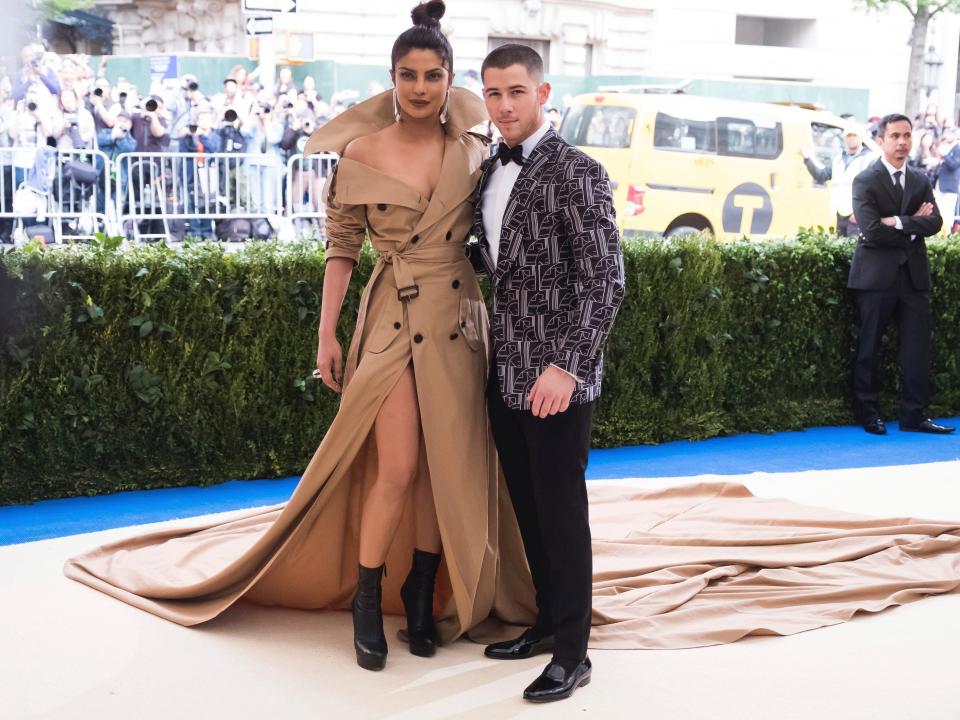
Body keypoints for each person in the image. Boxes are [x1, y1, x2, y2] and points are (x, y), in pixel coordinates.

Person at [64, 0, 536, 673]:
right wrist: (326, 335)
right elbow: (341, 248)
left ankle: (422, 591)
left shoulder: (473, 148)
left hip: (459, 322)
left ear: (447, 78)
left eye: (435, 75)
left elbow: (495, 194)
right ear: (391, 79)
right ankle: (368, 597)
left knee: (442, 471)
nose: (423, 88)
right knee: (397, 466)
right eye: (410, 75)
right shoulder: (360, 151)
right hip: (392, 319)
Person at [473, 44, 624, 702]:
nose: (504, 104)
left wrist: (566, 365)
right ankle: (544, 622)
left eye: (515, 92)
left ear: (542, 93)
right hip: (504, 372)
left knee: (563, 515)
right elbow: (496, 260)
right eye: (493, 93)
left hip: (557, 379)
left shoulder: (579, 171)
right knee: (530, 511)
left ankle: (573, 652)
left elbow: (606, 281)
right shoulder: (488, 169)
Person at [849, 113, 954, 436]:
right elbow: (869, 230)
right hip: (875, 278)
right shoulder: (866, 180)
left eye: (907, 135)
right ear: (880, 141)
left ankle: (915, 415)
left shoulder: (921, 180)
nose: (902, 142)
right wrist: (912, 225)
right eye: (895, 136)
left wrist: (895, 221)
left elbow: (935, 223)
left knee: (917, 348)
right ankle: (868, 413)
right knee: (869, 347)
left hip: (913, 278)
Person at [801, 128, 876, 237]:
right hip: (840, 213)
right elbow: (821, 176)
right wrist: (807, 158)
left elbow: (873, 189)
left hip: (857, 214)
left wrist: (861, 211)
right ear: (845, 139)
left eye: (854, 135)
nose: (851, 139)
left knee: (853, 248)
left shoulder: (870, 159)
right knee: (840, 248)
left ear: (861, 138)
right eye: (848, 136)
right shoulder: (838, 160)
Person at [934, 128, 960, 230]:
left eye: (948, 134)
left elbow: (954, 165)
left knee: (948, 211)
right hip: (940, 183)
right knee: (939, 209)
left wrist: (944, 154)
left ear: (954, 135)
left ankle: (946, 233)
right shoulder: (946, 146)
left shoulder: (957, 148)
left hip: (950, 185)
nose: (946, 136)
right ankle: (938, 232)